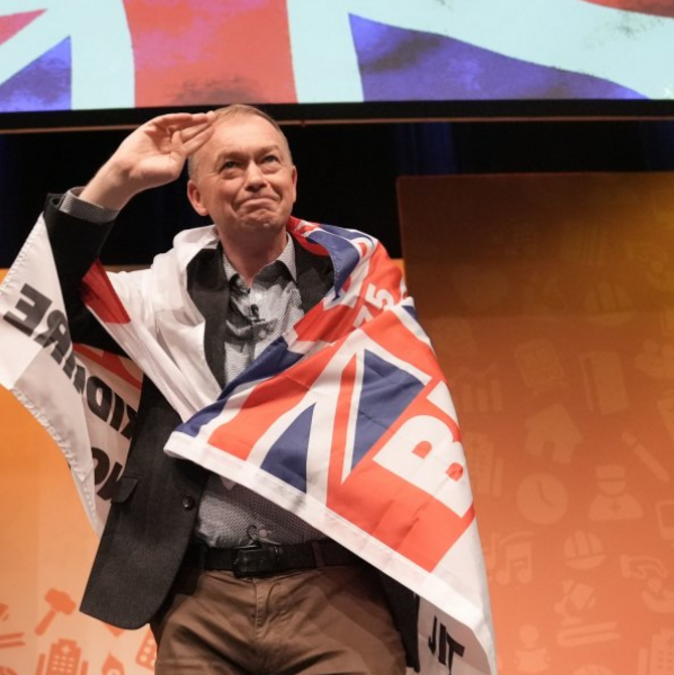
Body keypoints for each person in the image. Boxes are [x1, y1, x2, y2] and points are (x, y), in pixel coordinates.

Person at [37, 105, 420, 674]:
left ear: (293, 180)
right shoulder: (160, 300)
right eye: (231, 166)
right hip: (201, 596)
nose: (255, 178)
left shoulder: (358, 285)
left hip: (339, 587)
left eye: (269, 161)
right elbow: (48, 290)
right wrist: (118, 178)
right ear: (197, 195)